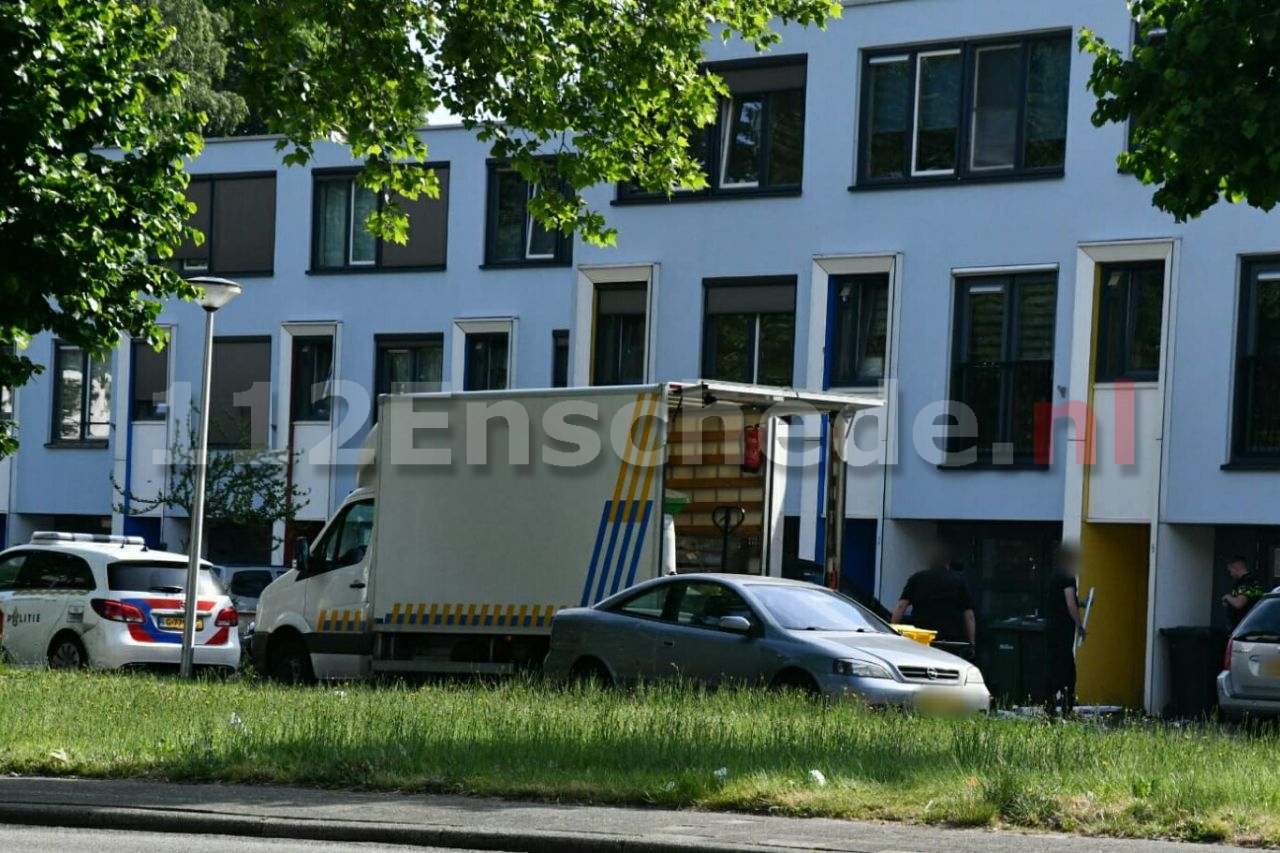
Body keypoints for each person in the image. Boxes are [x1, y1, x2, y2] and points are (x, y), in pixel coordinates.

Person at [891, 545, 976, 654]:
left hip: (922, 637)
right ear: (947, 562)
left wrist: (892, 633)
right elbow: (969, 615)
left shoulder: (917, 578)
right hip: (950, 639)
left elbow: (901, 607)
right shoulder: (958, 581)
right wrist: (971, 643)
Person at [1045, 546, 1085, 715]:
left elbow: (1062, 601)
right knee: (1067, 669)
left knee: (1055, 665)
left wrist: (1080, 603)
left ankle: (1050, 703)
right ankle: (1066, 706)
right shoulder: (1068, 578)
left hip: (1052, 628)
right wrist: (1080, 624)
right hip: (1063, 630)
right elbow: (1069, 603)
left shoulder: (1054, 577)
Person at [1222, 555, 1265, 632]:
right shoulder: (1253, 580)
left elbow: (1239, 603)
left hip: (1244, 627)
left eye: (1230, 571)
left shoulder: (1246, 581)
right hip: (1249, 625)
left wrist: (1227, 597)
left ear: (1236, 567)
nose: (1231, 574)